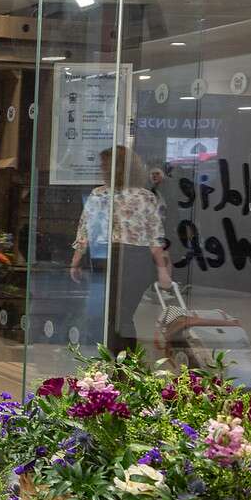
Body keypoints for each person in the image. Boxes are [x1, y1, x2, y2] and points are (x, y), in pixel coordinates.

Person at [69, 145, 172, 353]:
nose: (101, 169)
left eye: (103, 166)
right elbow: (155, 238)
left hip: (106, 257)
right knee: (124, 315)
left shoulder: (99, 194)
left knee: (108, 314)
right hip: (137, 260)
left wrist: (76, 261)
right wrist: (162, 270)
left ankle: (112, 361)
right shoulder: (145, 197)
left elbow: (85, 231)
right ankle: (126, 364)